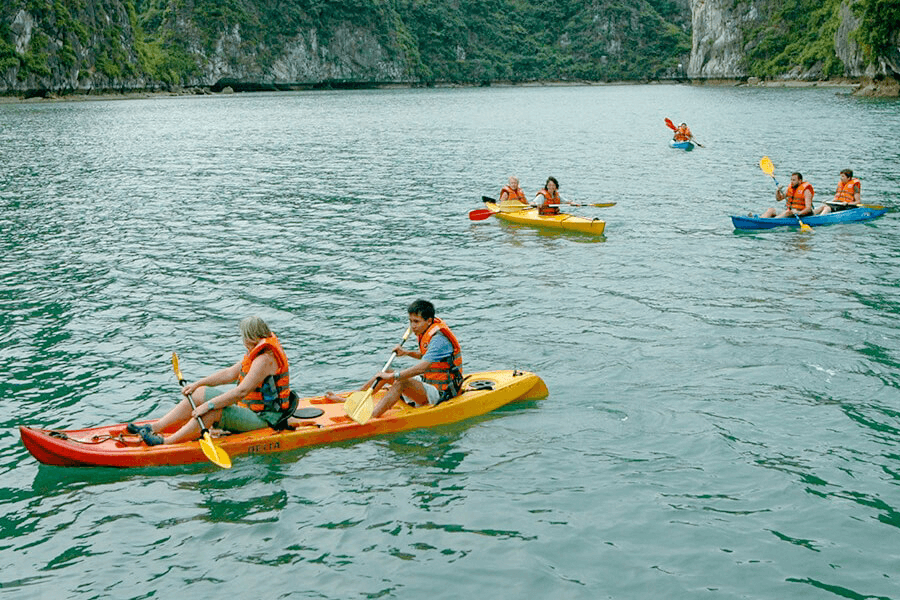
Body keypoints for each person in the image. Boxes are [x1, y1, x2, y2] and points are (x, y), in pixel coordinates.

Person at [128, 316, 294, 446]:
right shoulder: (257, 352)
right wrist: (198, 384)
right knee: (200, 393)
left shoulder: (265, 359)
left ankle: (166, 442)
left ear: (250, 338)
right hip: (250, 409)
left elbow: (240, 392)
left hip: (266, 419)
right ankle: (155, 427)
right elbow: (230, 373)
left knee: (211, 412)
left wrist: (209, 405)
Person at [327, 299, 463, 419]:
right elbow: (428, 357)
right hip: (429, 381)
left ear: (428, 321)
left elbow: (422, 367)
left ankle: (372, 417)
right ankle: (351, 400)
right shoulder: (427, 331)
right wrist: (406, 352)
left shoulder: (439, 339)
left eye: (416, 321)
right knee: (386, 373)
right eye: (410, 321)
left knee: (400, 381)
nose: (412, 326)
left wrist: (394, 376)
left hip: (442, 392)